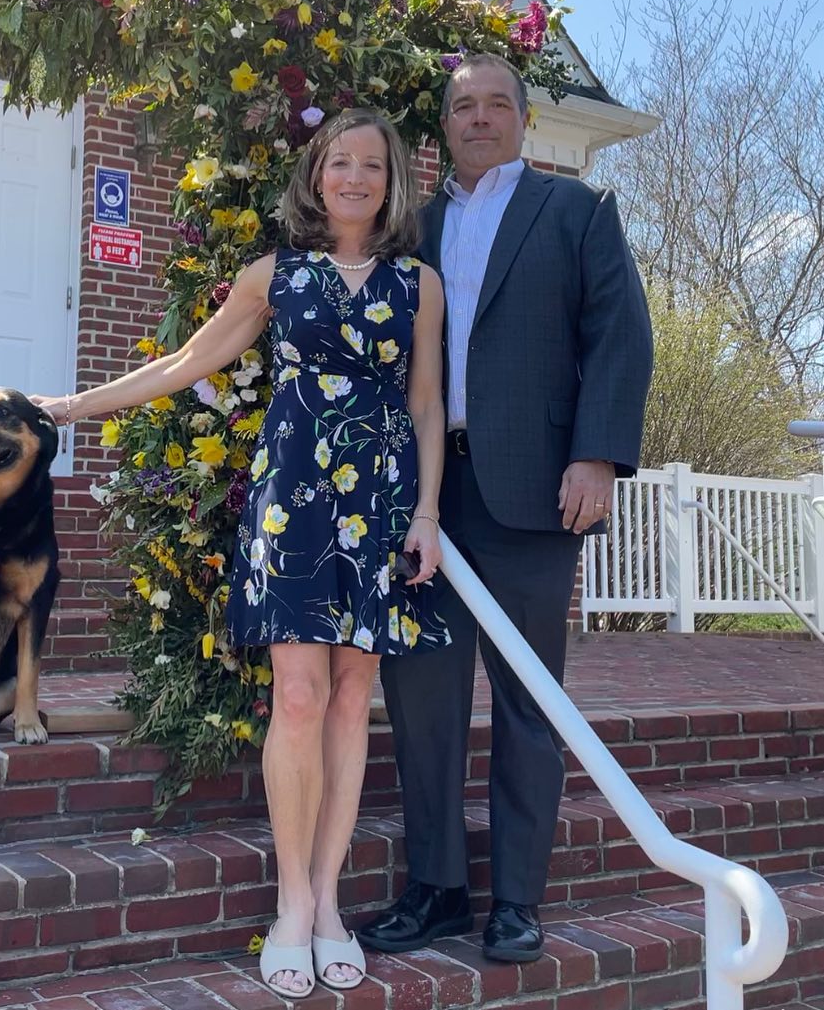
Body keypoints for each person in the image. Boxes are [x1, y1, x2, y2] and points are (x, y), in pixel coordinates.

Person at [33, 108, 451, 998]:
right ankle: (292, 903)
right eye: (340, 161)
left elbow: (423, 403)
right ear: (316, 173)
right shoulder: (273, 274)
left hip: (376, 500)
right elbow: (184, 361)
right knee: (297, 695)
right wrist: (72, 407)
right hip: (294, 498)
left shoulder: (420, 282)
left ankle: (332, 899)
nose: (354, 177)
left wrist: (425, 512)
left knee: (349, 699)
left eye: (371, 165)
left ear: (390, 182)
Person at [357, 53, 653, 964]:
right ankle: (438, 888)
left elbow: (619, 333)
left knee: (529, 701)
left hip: (532, 493)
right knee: (424, 701)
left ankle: (517, 899)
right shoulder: (413, 225)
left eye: (494, 105)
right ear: (443, 124)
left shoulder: (576, 212)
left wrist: (596, 454)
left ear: (521, 119)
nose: (477, 118)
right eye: (461, 107)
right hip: (428, 496)